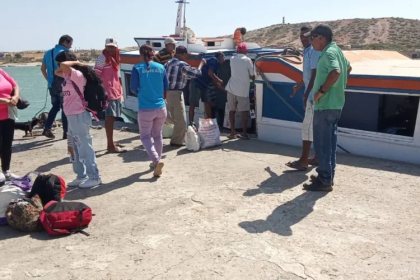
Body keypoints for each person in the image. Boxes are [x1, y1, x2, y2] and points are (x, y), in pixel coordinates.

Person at [303, 24, 352, 192]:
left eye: (312, 38)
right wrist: (339, 87)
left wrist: (321, 91)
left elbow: (336, 72)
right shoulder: (336, 50)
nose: (310, 41)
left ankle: (324, 181)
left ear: (321, 38)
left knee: (322, 144)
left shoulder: (329, 53)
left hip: (325, 106)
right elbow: (348, 68)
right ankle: (327, 176)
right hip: (335, 105)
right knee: (329, 144)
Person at [55, 51, 101, 189]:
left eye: (60, 63)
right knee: (74, 147)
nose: (59, 66)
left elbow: (63, 65)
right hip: (70, 116)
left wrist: (76, 63)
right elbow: (58, 71)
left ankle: (94, 176)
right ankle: (81, 175)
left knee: (85, 146)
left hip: (79, 115)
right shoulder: (66, 76)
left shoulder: (78, 75)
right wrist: (66, 66)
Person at [130, 45, 169, 177]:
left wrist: (142, 92)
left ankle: (156, 161)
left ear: (141, 55)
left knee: (145, 137)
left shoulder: (137, 68)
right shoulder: (161, 67)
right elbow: (166, 87)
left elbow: (133, 89)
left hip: (146, 108)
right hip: (161, 107)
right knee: (157, 135)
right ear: (153, 54)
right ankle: (155, 163)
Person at [286, 25, 321, 171]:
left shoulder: (313, 51)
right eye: (301, 37)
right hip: (311, 93)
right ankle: (317, 158)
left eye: (306, 36)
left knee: (307, 127)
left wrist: (306, 94)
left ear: (312, 36)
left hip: (313, 96)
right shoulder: (307, 51)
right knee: (316, 127)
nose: (303, 39)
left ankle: (303, 161)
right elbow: (306, 75)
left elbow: (315, 73)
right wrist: (298, 87)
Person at [164, 46, 205, 147]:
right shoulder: (182, 65)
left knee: (172, 116)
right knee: (182, 120)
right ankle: (176, 141)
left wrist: (190, 54)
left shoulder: (168, 63)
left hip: (167, 93)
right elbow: (196, 73)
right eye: (186, 55)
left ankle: (167, 125)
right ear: (182, 54)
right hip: (177, 94)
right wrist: (201, 64)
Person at [94, 38, 126, 154]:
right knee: (110, 117)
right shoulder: (102, 58)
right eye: (108, 46)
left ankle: (111, 143)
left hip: (115, 91)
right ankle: (110, 145)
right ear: (105, 47)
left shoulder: (115, 58)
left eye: (112, 47)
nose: (110, 49)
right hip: (107, 92)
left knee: (112, 118)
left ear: (116, 47)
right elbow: (95, 75)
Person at [41, 35, 73, 139]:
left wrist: (49, 80)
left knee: (55, 107)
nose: (70, 47)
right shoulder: (64, 53)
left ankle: (47, 127)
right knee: (65, 107)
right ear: (65, 42)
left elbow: (42, 69)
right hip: (63, 84)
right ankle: (66, 132)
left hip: (51, 85)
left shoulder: (48, 52)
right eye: (70, 45)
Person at [225, 43, 255, 140]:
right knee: (244, 112)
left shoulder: (232, 59)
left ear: (237, 51)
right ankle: (244, 133)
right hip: (242, 90)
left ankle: (232, 132)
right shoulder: (247, 60)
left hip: (231, 88)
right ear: (246, 51)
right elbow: (252, 75)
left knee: (231, 111)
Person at [189, 52, 225, 125]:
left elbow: (214, 81)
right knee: (193, 104)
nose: (224, 60)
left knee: (208, 103)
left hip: (204, 86)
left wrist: (226, 91)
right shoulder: (214, 60)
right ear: (220, 56)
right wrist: (219, 80)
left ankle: (209, 123)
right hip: (197, 83)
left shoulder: (217, 66)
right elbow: (210, 73)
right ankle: (191, 123)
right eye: (223, 58)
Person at [0, 69, 20, 184]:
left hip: (8, 113)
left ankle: (6, 170)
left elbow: (15, 85)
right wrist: (6, 100)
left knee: (7, 144)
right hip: (6, 106)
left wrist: (15, 96)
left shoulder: (1, 72)